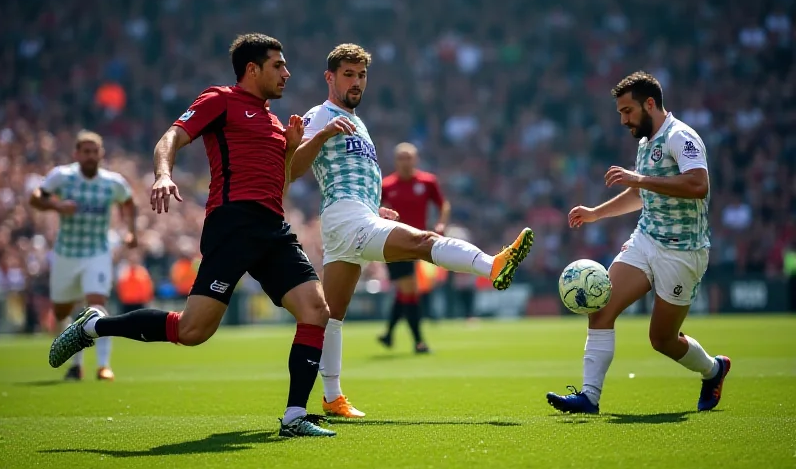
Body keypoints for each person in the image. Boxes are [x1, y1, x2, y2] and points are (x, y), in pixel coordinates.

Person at [48, 34, 335, 438]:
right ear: (252, 69)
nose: (287, 73)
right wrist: (163, 173)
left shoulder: (272, 121)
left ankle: (294, 417)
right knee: (192, 332)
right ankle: (93, 327)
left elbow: (281, 182)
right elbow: (172, 136)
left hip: (272, 228)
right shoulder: (220, 99)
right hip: (232, 224)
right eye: (278, 65)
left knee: (315, 310)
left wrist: (290, 149)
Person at [290, 43, 534, 419]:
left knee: (332, 314)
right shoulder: (319, 115)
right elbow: (293, 168)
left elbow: (350, 176)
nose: (356, 82)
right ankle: (492, 265)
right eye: (348, 75)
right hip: (345, 217)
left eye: (362, 75)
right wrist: (320, 136)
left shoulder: (358, 122)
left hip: (351, 217)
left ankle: (332, 397)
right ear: (330, 77)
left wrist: (374, 208)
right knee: (423, 241)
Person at [546, 71, 730, 414]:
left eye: (627, 111)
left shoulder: (681, 137)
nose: (623, 120)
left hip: (683, 250)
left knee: (661, 340)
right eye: (619, 113)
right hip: (646, 239)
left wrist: (640, 178)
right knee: (600, 307)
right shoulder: (646, 143)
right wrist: (595, 213)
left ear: (649, 104)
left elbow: (697, 185)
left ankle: (714, 369)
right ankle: (588, 397)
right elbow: (641, 192)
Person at [29, 130, 137, 381]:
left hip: (97, 252)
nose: (90, 156)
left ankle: (103, 366)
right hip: (66, 254)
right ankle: (75, 365)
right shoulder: (62, 177)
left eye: (94, 151)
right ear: (77, 154)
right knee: (60, 313)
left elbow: (129, 203)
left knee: (96, 305)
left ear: (101, 154)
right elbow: (36, 198)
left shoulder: (113, 182)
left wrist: (131, 232)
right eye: (85, 151)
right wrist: (57, 205)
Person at [379, 142, 451, 353]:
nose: (405, 161)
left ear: (416, 159)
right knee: (410, 290)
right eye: (401, 157)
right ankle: (419, 341)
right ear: (395, 161)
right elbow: (373, 208)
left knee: (405, 292)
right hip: (394, 243)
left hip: (418, 242)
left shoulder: (427, 182)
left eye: (408, 157)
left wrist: (441, 223)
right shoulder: (387, 185)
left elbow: (443, 204)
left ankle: (389, 334)